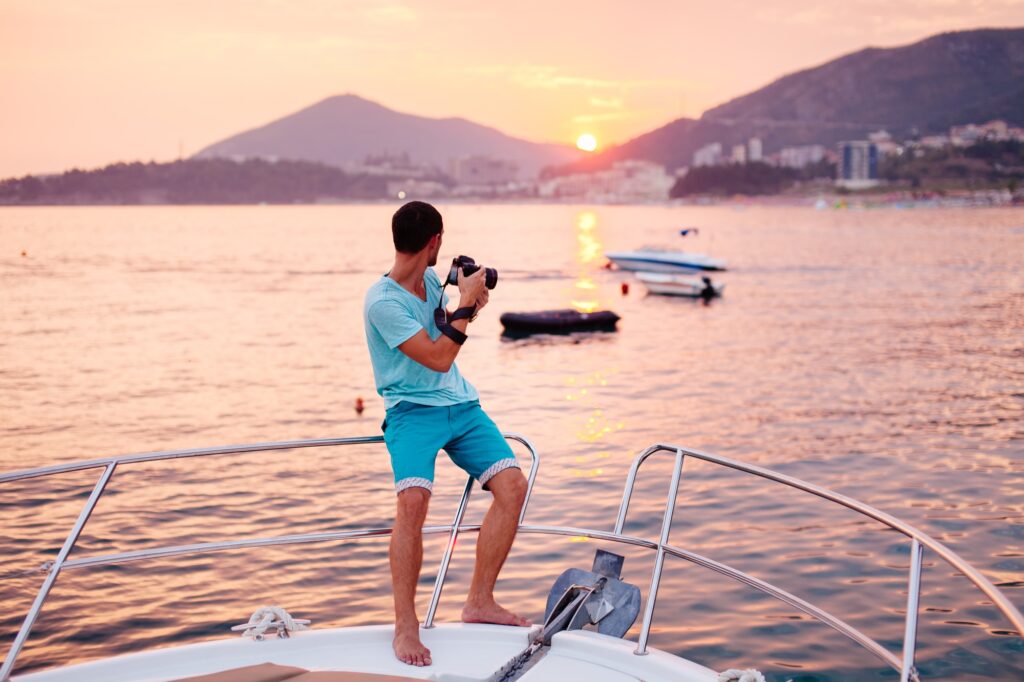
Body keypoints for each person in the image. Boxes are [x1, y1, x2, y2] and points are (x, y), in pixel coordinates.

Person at [363, 201, 530, 667]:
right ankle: (405, 624)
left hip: (459, 404)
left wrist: (469, 306)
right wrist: (463, 306)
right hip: (411, 410)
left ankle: (479, 600)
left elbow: (445, 341)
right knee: (412, 502)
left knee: (513, 486)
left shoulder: (433, 283)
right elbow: (437, 357)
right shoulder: (383, 301)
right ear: (434, 241)